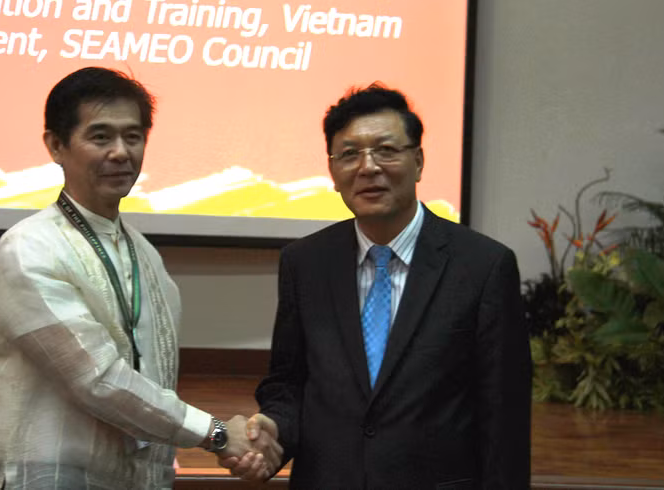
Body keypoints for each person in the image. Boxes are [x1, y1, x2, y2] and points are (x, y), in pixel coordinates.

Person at [0, 67, 279, 489]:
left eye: (133, 137)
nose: (120, 152)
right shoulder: (28, 249)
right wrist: (219, 435)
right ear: (56, 145)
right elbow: (96, 379)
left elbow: (152, 381)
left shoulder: (146, 256)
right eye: (100, 137)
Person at [222, 83, 532, 488]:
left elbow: (505, 418)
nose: (368, 167)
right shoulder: (305, 263)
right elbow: (289, 383)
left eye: (386, 150)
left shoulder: (483, 266)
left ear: (418, 162)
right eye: (349, 154)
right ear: (333, 173)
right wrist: (275, 428)